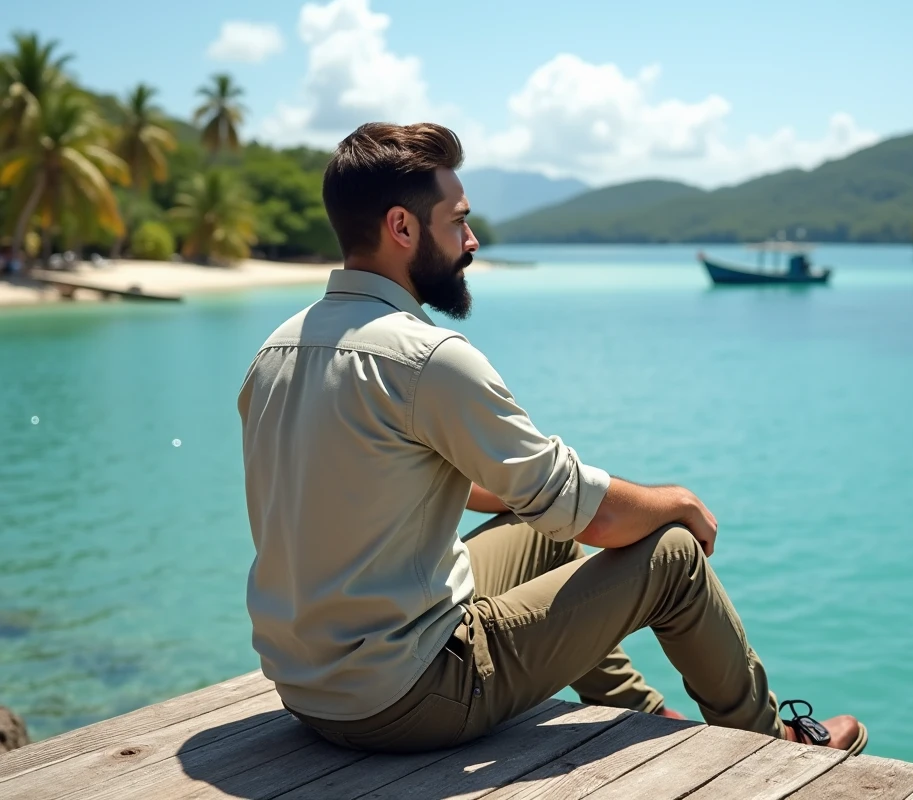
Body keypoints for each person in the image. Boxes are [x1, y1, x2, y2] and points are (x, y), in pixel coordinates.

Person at [237, 121, 866, 756]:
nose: (472, 241)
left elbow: (372, 479)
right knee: (672, 554)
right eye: (458, 222)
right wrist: (675, 500)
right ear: (402, 228)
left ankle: (649, 717)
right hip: (410, 697)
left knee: (539, 528)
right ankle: (772, 744)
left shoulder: (277, 350)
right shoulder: (428, 359)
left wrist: (521, 496)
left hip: (307, 689)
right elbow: (579, 509)